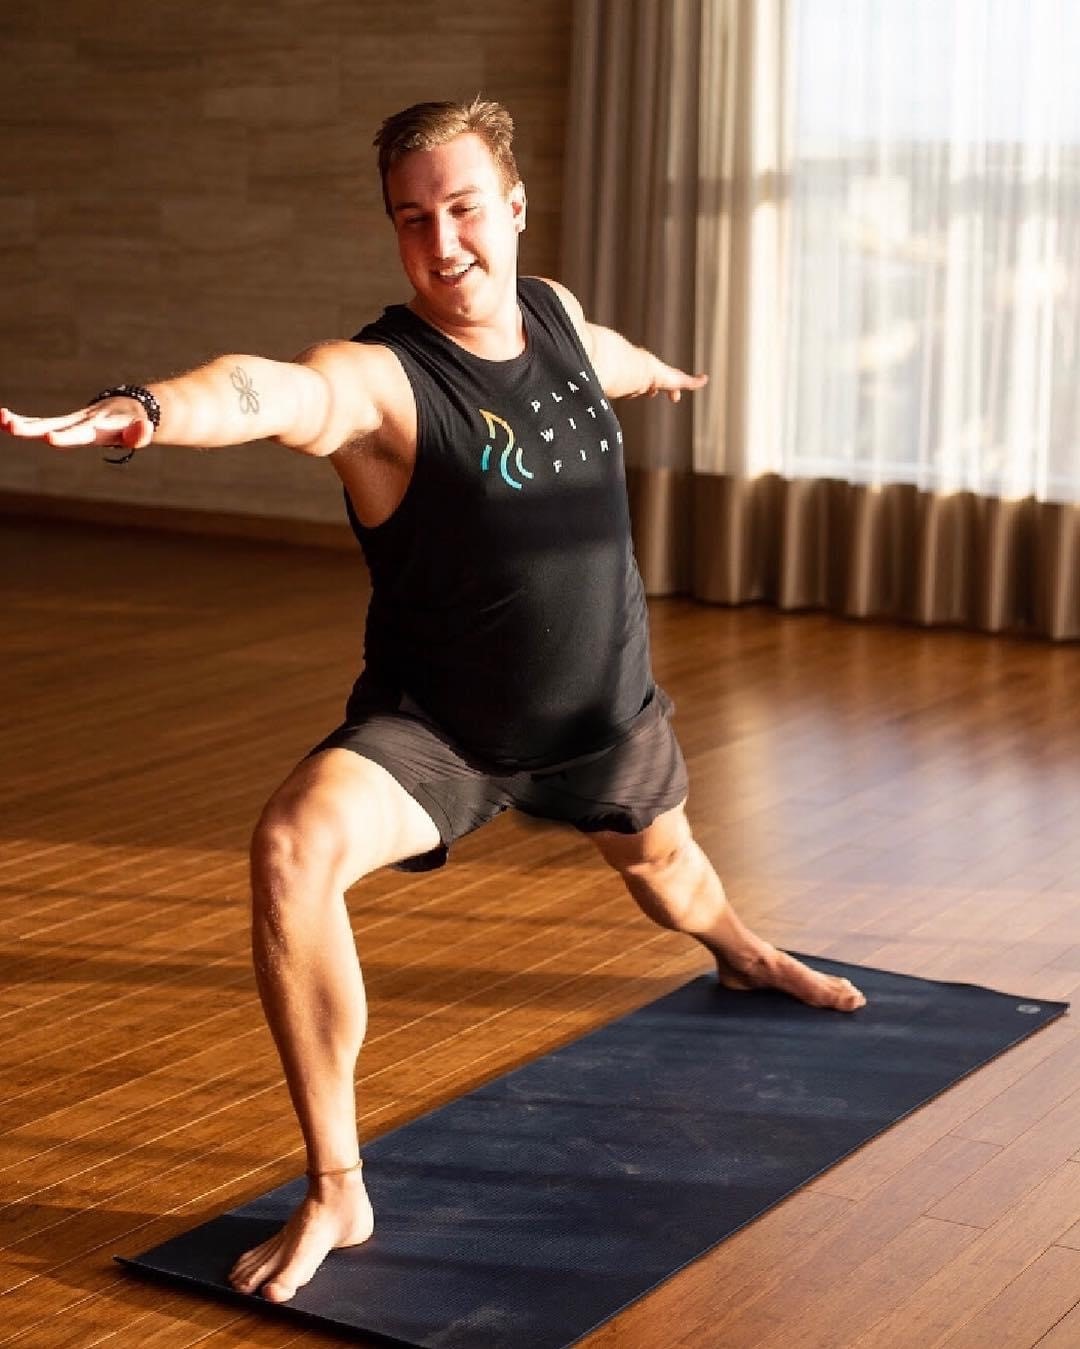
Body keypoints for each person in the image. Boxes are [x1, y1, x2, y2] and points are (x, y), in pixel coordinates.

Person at [1, 97, 866, 1304]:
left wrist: (657, 371)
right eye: (413, 219)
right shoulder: (382, 382)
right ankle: (338, 1179)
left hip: (600, 719)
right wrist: (149, 410)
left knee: (671, 878)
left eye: (463, 208)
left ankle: (743, 950)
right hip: (442, 737)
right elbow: (268, 392)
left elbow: (596, 354)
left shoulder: (555, 311)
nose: (442, 241)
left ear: (513, 207)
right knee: (294, 844)